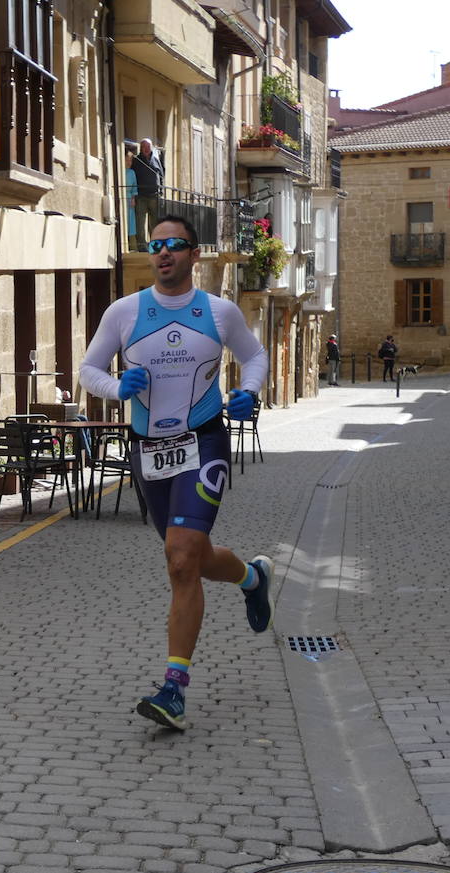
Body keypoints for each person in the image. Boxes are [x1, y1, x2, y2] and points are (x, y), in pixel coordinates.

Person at [78, 214, 273, 732]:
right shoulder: (124, 313)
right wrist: (119, 388)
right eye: (155, 245)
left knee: (182, 561)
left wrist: (248, 393)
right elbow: (89, 370)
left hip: (203, 440)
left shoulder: (218, 312)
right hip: (149, 447)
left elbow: (255, 357)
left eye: (174, 245)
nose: (163, 252)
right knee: (189, 553)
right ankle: (253, 578)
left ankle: (174, 690)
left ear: (193, 255)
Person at [130, 138, 164, 249]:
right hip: (141, 196)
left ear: (151, 148)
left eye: (148, 147)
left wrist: (161, 191)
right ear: (140, 148)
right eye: (143, 147)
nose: (146, 149)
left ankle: (154, 245)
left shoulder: (156, 160)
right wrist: (133, 195)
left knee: (154, 223)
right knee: (140, 222)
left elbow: (161, 176)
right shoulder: (136, 160)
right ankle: (142, 247)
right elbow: (132, 177)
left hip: (155, 195)